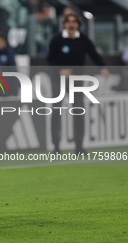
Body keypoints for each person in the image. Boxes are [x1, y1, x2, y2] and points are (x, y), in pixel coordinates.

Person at [47, 13, 110, 154]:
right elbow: (50, 59)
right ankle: (56, 146)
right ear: (64, 24)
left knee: (79, 112)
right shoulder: (56, 40)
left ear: (78, 25)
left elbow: (94, 54)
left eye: (74, 22)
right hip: (59, 80)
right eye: (68, 22)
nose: (71, 24)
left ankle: (79, 147)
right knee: (57, 111)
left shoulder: (83, 39)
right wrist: (60, 71)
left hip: (77, 81)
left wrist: (103, 67)